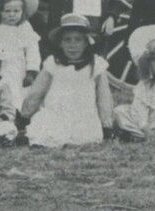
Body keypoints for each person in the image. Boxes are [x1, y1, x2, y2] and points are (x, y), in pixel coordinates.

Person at [19, 15, 116, 147]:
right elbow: (36, 93)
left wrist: (107, 124)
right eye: (67, 40)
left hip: (84, 117)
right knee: (44, 130)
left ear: (86, 42)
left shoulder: (96, 64)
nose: (72, 45)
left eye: (78, 40)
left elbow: (104, 97)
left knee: (84, 137)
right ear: (60, 43)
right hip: (56, 114)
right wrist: (25, 117)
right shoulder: (53, 63)